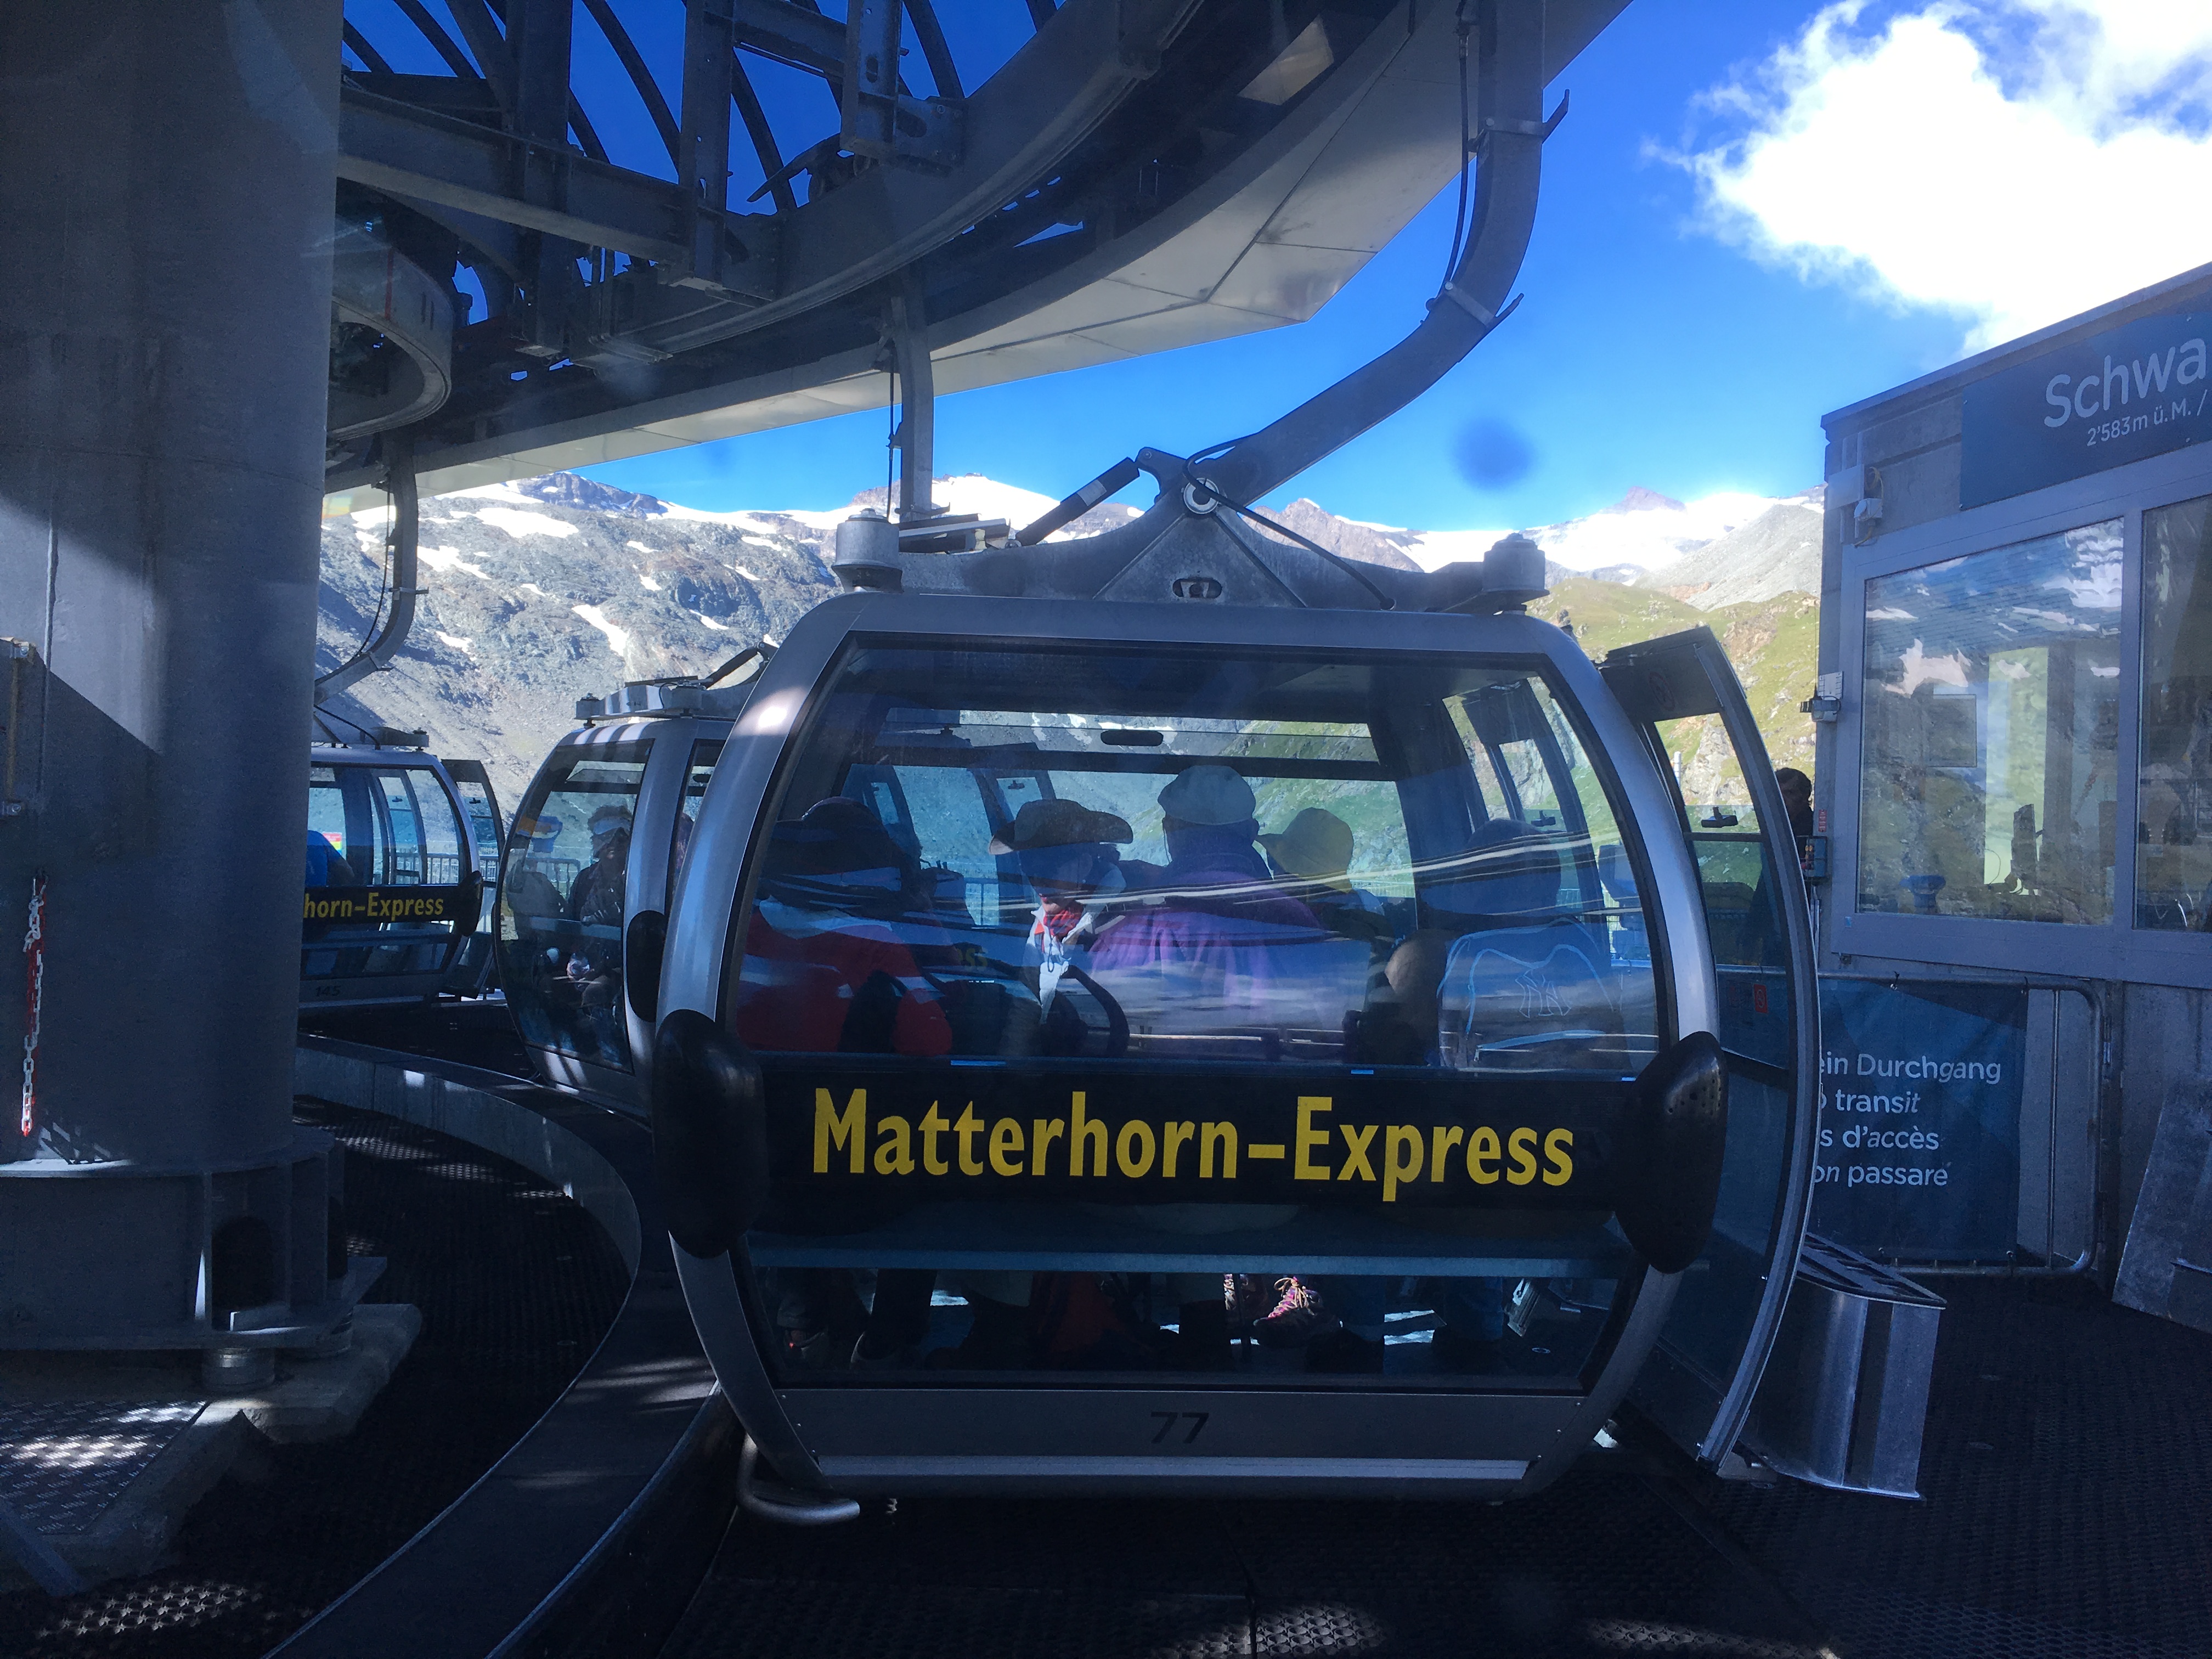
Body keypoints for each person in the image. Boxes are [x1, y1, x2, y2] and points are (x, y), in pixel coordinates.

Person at [1258, 806, 1395, 949]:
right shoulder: (1367, 906)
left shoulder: (1299, 930)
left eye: (1276, 863)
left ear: (1301, 879)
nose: (1275, 873)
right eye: (1272, 860)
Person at [563, 804, 632, 1065]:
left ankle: (611, 1062)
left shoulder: (640, 881)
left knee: (596, 994)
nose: (613, 843)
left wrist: (602, 969)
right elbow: (571, 924)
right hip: (585, 964)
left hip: (622, 968)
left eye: (621, 836)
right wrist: (573, 958)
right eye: (606, 835)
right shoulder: (584, 880)